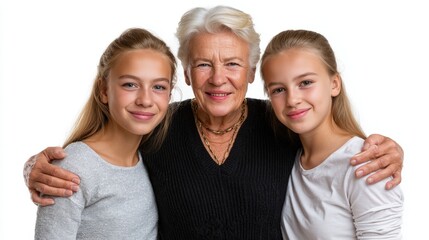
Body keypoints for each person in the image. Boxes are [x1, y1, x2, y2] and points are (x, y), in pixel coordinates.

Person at [24, 6, 404, 239]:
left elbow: (332, 150)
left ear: (252, 72)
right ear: (187, 74)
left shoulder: (282, 122)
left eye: (233, 64)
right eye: (204, 64)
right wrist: (36, 168)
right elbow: (104, 154)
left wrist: (388, 149)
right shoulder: (159, 123)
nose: (218, 78)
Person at [34, 28, 177, 239]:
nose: (145, 100)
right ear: (103, 90)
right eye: (130, 84)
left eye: (158, 87)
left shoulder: (153, 154)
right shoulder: (75, 168)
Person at [260, 29, 404, 239]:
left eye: (305, 83)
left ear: (334, 84)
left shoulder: (366, 165)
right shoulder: (284, 154)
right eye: (278, 90)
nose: (292, 99)